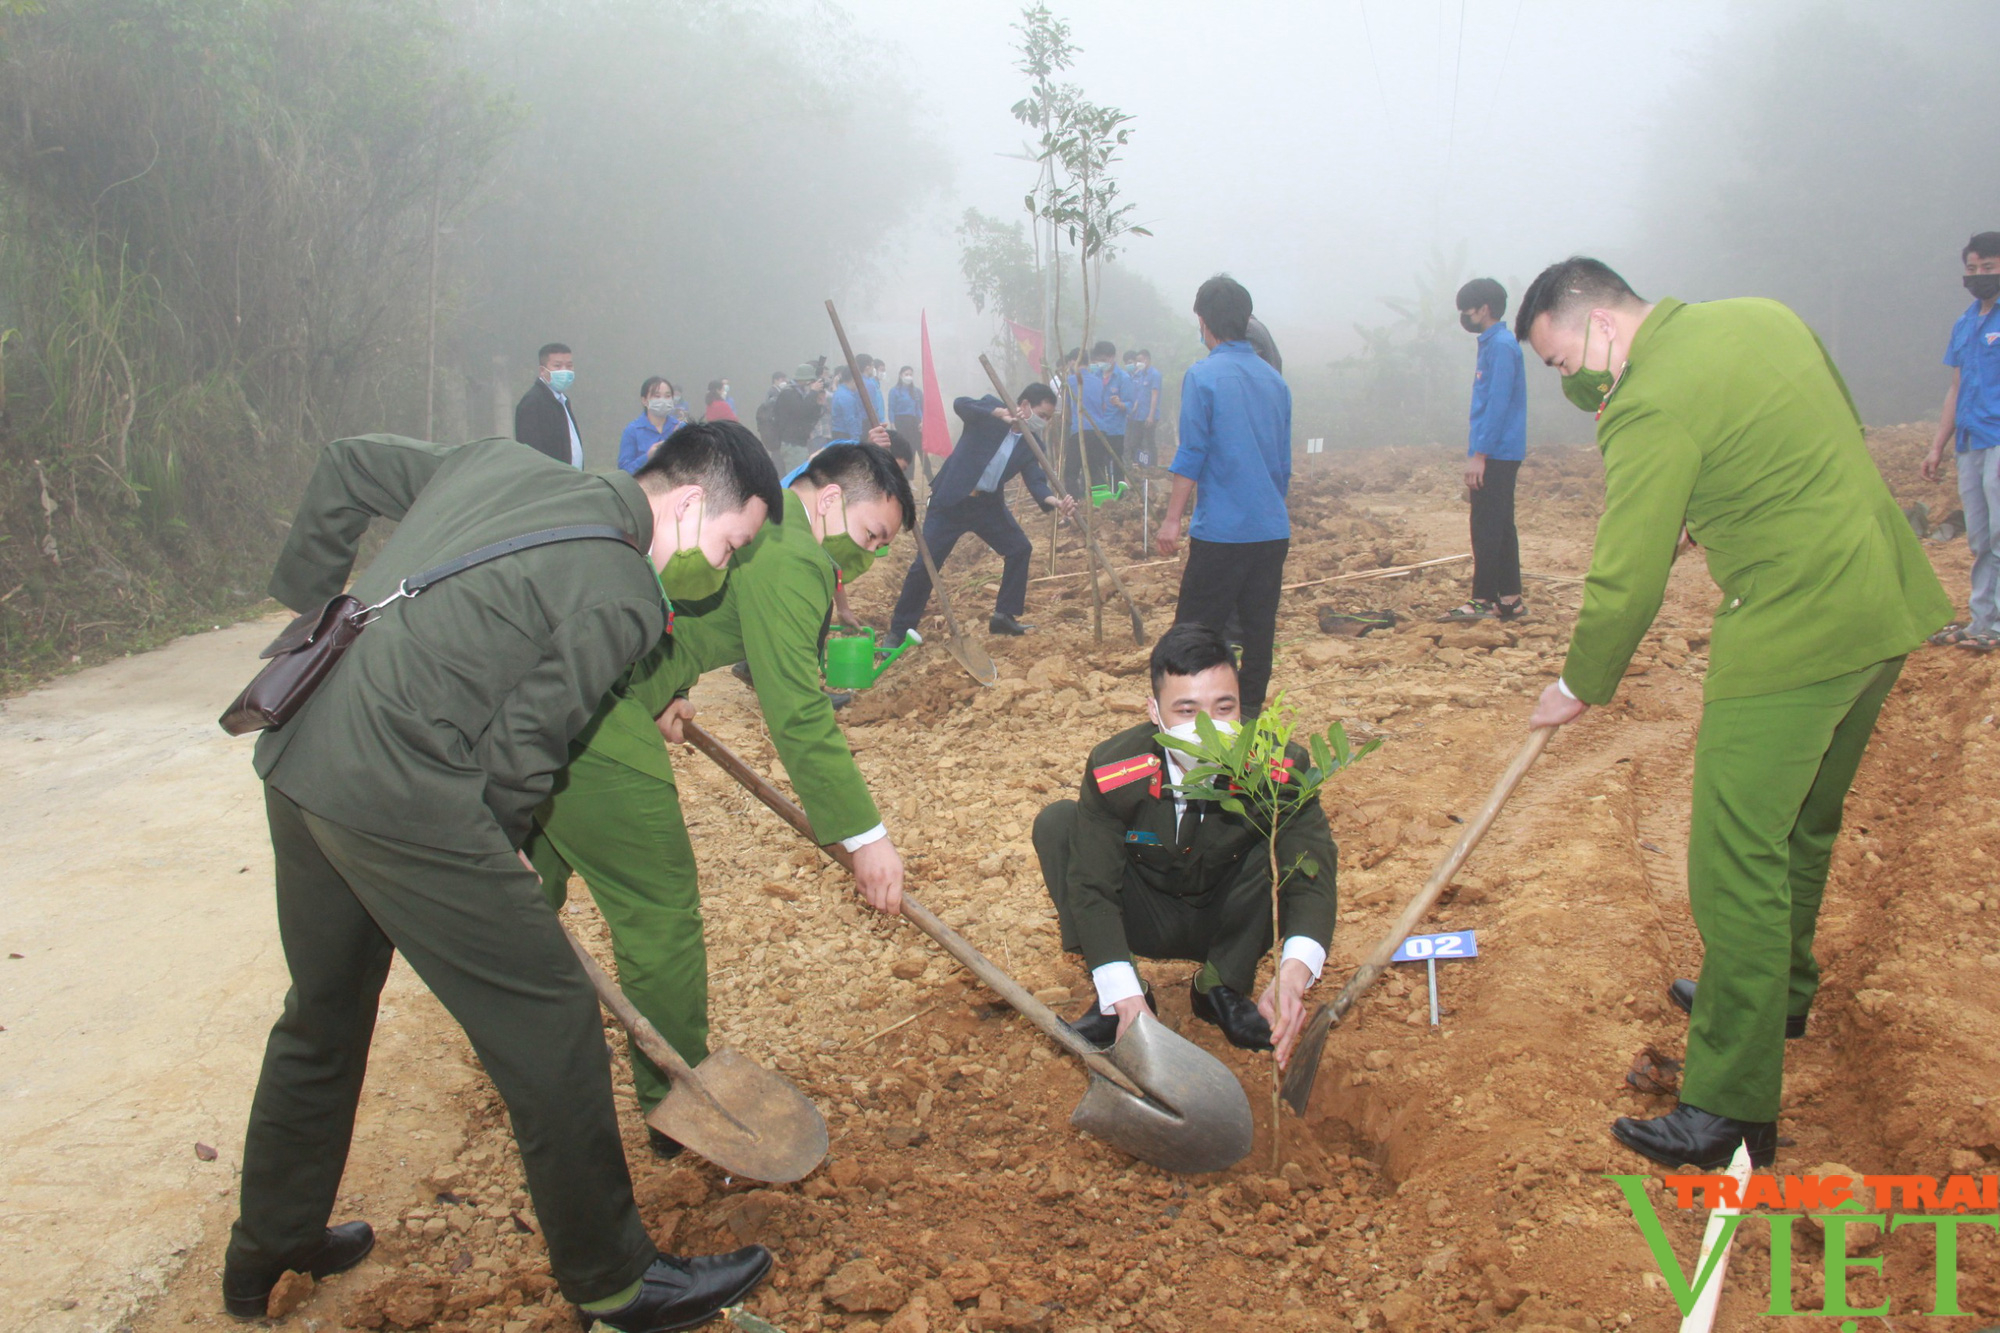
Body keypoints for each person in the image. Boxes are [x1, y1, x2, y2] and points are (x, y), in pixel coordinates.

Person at [225, 426, 785, 1330]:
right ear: (687, 505)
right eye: (728, 545)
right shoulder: (623, 591)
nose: (721, 568)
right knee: (552, 1018)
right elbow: (528, 745)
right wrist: (500, 839)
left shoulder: (499, 462)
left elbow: (348, 463)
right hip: (396, 788)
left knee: (322, 1011)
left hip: (300, 748)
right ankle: (615, 1280)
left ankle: (267, 1246)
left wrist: (310, 598)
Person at [1514, 257, 1951, 1171]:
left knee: (1735, 856)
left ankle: (1727, 1107)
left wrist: (1578, 682)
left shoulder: (1644, 402)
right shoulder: (1761, 314)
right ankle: (1776, 992)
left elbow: (1624, 578)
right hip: (1885, 598)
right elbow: (1806, 436)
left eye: (1559, 364)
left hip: (1797, 630)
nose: (1569, 384)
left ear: (1595, 327)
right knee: (1802, 824)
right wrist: (1709, 509)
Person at [525, 439, 917, 1147]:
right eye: (870, 536)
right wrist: (866, 837)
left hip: (561, 700)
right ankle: (677, 1100)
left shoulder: (770, 528)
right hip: (596, 713)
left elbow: (685, 604)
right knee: (660, 907)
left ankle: (519, 1044)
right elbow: (797, 709)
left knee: (523, 890)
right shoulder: (796, 557)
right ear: (829, 499)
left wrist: (669, 686)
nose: (869, 556)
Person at [1031, 623, 1335, 1061]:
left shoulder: (1279, 768)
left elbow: (1312, 870)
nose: (1208, 728)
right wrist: (1124, 994)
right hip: (1144, 911)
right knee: (1058, 824)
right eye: (1188, 711)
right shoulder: (1115, 769)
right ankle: (1122, 999)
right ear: (1155, 713)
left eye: (1224, 707)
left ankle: (1220, 986)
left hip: (1233, 917)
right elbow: (1092, 887)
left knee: (1275, 846)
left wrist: (1294, 973)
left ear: (1243, 705)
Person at [1156, 275, 1294, 718]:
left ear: (1203, 321)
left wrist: (1172, 518)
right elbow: (1282, 462)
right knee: (1258, 630)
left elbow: (1192, 451)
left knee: (1194, 632)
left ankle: (1184, 716)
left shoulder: (1203, 376)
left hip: (1223, 533)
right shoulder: (1275, 382)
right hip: (1271, 530)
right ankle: (1246, 713)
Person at [887, 385, 1076, 640]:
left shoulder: (1033, 443)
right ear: (1024, 406)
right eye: (1042, 415)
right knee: (926, 565)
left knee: (1019, 548)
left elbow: (1036, 481)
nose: (1044, 422)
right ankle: (899, 630)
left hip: (987, 505)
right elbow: (961, 403)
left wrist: (1055, 501)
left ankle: (1003, 616)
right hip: (952, 500)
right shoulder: (989, 414)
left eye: (1049, 418)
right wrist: (1000, 413)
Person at [1923, 230, 2000, 653]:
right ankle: (1981, 620)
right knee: (1980, 535)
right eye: (1972, 268)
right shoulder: (1965, 322)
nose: (1979, 275)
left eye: (1988, 267)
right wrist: (1938, 445)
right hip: (1970, 440)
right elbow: (1956, 387)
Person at [1446, 278, 1529, 622]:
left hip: (1496, 452)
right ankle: (1510, 599)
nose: (1464, 315)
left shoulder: (1501, 347)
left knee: (1486, 526)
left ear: (1484, 309)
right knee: (1501, 524)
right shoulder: (1495, 344)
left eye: (1468, 308)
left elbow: (1497, 405)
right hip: (1498, 449)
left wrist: (1479, 455)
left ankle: (1482, 599)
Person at [1067, 340, 1129, 494]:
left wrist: (1120, 404)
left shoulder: (1070, 382)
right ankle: (1100, 500)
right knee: (1097, 469)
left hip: (1091, 429)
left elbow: (1067, 410)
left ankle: (1075, 502)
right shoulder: (1097, 379)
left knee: (1072, 471)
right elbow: (1103, 406)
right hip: (1100, 429)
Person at [514, 342, 583, 468]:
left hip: (573, 481)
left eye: (569, 366)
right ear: (542, 370)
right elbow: (531, 452)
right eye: (557, 366)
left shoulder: (563, 401)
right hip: (552, 483)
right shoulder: (533, 402)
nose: (565, 371)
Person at [774, 363, 828, 472]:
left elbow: (809, 416)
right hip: (791, 443)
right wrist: (813, 392)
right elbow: (801, 412)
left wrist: (818, 404)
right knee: (795, 475)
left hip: (800, 441)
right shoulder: (789, 393)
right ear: (804, 380)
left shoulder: (801, 394)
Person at [618, 375, 677, 474]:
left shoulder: (680, 428)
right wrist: (647, 457)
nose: (663, 401)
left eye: (667, 396)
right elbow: (624, 471)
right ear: (644, 400)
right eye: (657, 396)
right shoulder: (633, 430)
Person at [1126, 349, 1163, 466]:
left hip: (1149, 415)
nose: (1137, 363)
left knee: (1149, 442)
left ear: (1147, 359)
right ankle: (1138, 465)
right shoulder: (1140, 375)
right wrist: (1133, 410)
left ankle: (1152, 467)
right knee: (1135, 442)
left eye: (1139, 361)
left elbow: (1154, 395)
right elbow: (1139, 395)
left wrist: (1151, 415)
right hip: (1138, 415)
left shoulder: (1155, 374)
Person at [827, 366, 867, 444]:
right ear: (853, 380)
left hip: (841, 433)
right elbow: (850, 419)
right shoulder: (846, 397)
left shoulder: (841, 392)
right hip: (845, 435)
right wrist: (855, 440)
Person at [887, 363, 923, 444]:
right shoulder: (894, 391)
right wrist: (892, 423)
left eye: (910, 375)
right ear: (900, 375)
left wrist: (921, 421)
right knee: (901, 445)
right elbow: (891, 409)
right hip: (899, 421)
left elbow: (918, 408)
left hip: (913, 422)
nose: (909, 377)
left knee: (913, 445)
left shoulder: (916, 391)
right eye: (906, 374)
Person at [755, 370, 788, 450]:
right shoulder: (772, 391)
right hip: (774, 423)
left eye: (785, 380)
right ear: (775, 380)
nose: (784, 382)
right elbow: (768, 404)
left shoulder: (780, 390)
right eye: (782, 380)